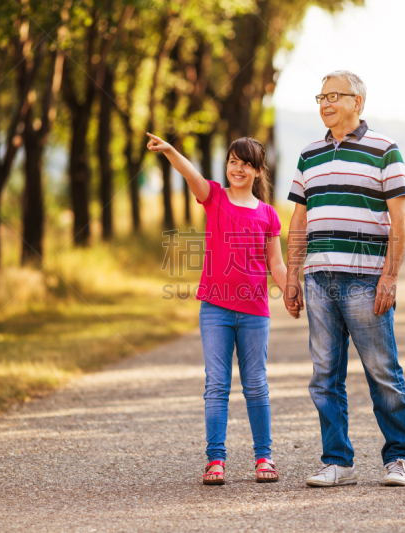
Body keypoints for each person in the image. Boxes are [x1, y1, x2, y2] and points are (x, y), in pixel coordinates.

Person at [283, 70, 405, 487]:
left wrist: (390, 276)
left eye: (334, 96)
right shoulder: (308, 155)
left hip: (365, 279)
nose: (325, 103)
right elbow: (299, 221)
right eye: (320, 97)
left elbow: (401, 218)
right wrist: (291, 276)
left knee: (381, 371)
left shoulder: (384, 150)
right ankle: (337, 461)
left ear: (358, 102)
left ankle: (398, 459)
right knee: (324, 375)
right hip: (319, 280)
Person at [147, 133, 292, 485]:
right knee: (217, 384)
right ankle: (216, 460)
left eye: (245, 163)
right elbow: (190, 175)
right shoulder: (214, 197)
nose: (237, 168)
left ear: (258, 171)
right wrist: (169, 151)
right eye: (232, 161)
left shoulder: (269, 215)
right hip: (215, 308)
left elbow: (276, 262)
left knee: (256, 384)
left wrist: (290, 290)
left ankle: (264, 457)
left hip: (256, 310)